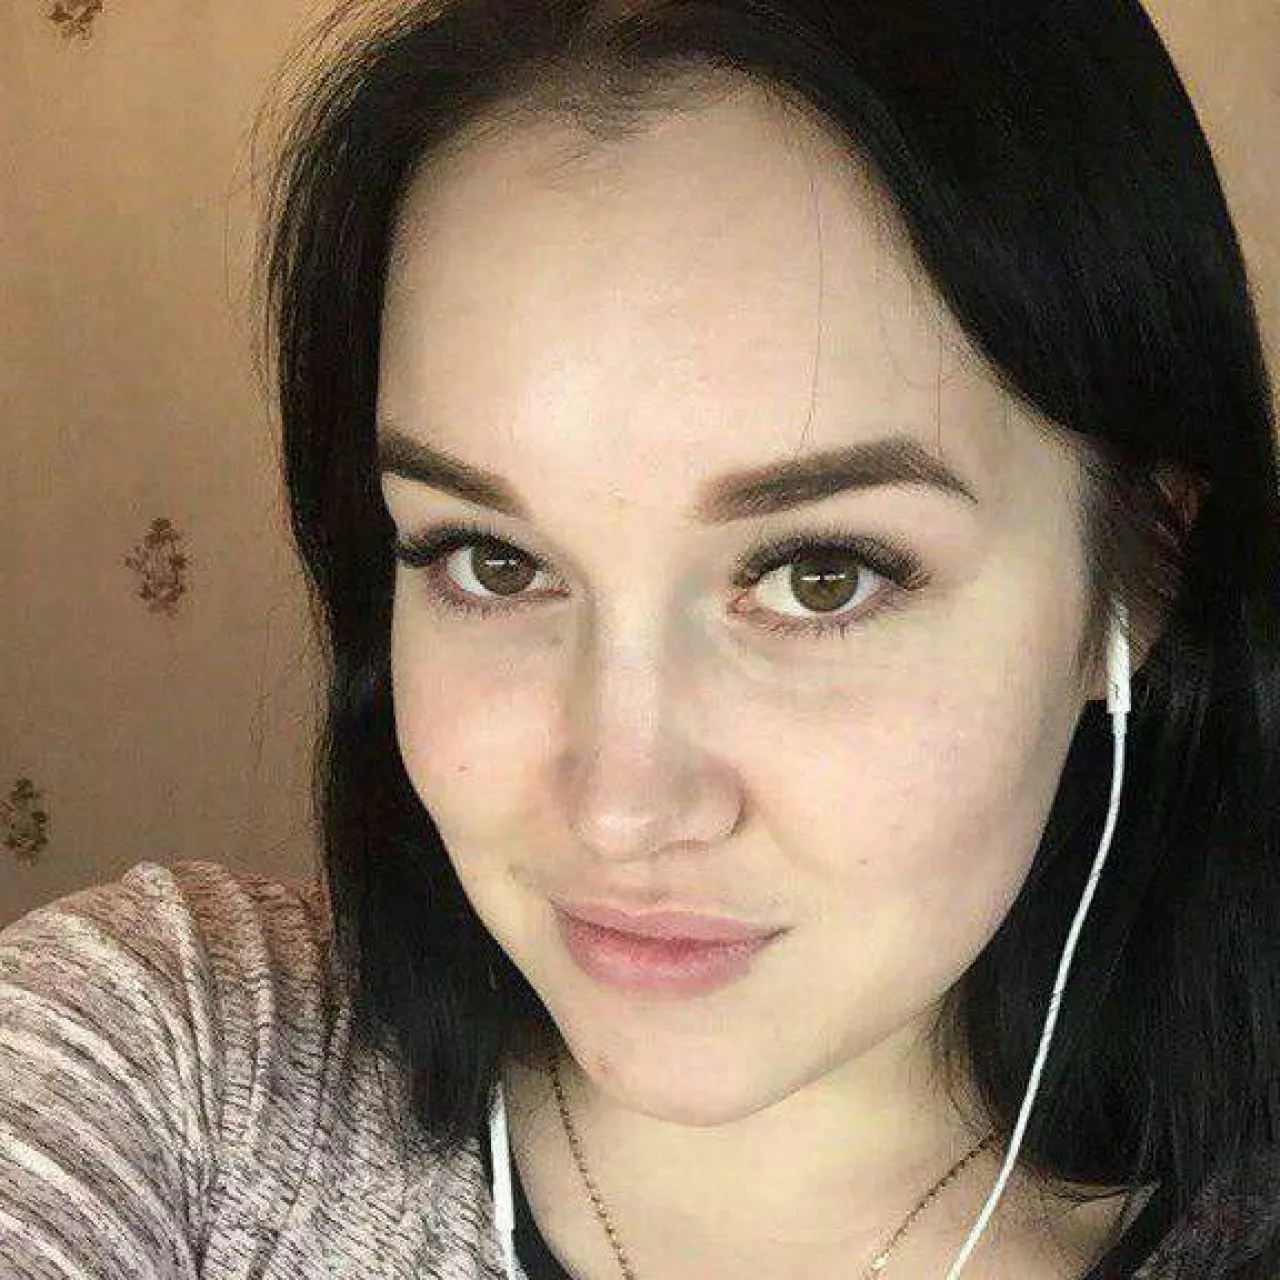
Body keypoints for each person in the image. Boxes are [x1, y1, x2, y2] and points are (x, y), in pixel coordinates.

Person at [3, 0, 1278, 1276]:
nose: (618, 809)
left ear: (1140, 573)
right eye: (492, 561)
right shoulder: (169, 1057)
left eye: (820, 576)